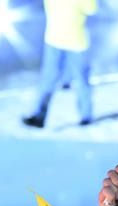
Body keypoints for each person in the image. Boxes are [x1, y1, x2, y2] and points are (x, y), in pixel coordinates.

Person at [23, 0, 97, 128]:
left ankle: (86, 116)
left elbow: (92, 8)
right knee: (48, 79)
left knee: (81, 79)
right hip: (54, 41)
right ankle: (39, 116)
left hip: (76, 43)